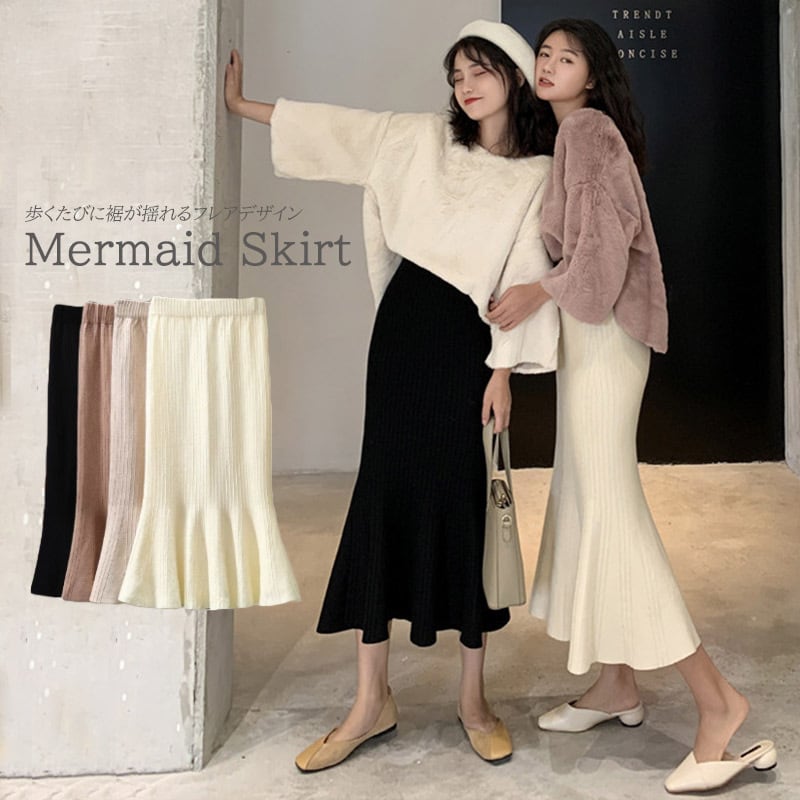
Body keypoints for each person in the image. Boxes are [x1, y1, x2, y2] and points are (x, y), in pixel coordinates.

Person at [225, 20, 559, 771]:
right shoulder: (422, 138)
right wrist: (246, 107)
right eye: (456, 76)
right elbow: (343, 133)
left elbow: (524, 274)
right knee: (382, 494)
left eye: (479, 71)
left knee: (465, 502)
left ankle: (474, 700)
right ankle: (369, 700)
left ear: (513, 75)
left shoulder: (537, 174)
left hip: (468, 345)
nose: (465, 87)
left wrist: (503, 371)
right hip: (405, 333)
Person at [486, 17, 776, 794]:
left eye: (567, 57)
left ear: (594, 73)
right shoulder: (576, 134)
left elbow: (604, 254)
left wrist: (537, 290)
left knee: (612, 512)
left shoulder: (587, 131)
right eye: (544, 55)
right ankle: (617, 685)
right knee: (587, 502)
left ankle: (718, 703)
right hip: (595, 336)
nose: (549, 65)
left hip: (606, 336)